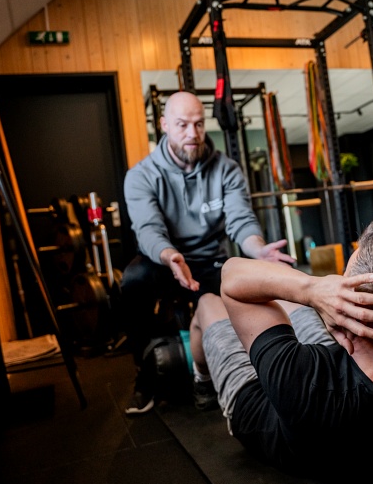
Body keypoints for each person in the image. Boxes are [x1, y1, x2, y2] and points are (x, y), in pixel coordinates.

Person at [188, 217, 373, 476]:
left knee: (209, 304)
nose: (337, 283)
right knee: (286, 290)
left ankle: (202, 382)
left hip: (265, 412)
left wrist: (311, 289)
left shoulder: (303, 382)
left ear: (357, 315)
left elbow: (232, 277)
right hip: (344, 378)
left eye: (344, 281)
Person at [121, 91, 295, 415]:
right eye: (182, 125)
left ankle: (257, 370)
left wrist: (258, 251)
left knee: (249, 286)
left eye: (199, 124)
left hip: (209, 258)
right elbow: (148, 228)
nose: (192, 134)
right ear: (164, 125)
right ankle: (145, 376)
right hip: (165, 257)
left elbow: (241, 219)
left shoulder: (226, 169)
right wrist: (169, 254)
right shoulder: (141, 175)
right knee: (133, 281)